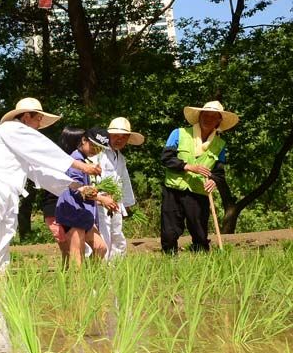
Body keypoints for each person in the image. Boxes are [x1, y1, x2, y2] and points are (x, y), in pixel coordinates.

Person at [0, 98, 102, 273]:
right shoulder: (11, 129)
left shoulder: (21, 144)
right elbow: (45, 149)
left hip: (6, 196)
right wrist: (81, 166)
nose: (40, 125)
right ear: (26, 117)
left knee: (1, 247)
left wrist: (75, 186)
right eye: (38, 119)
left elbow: (41, 172)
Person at [160, 100, 237, 253]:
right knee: (169, 233)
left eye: (213, 117)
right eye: (205, 115)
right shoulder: (178, 133)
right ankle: (169, 260)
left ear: (218, 121)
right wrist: (189, 167)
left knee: (200, 233)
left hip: (199, 192)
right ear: (199, 116)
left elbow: (219, 173)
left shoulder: (220, 144)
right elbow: (166, 158)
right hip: (173, 190)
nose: (208, 119)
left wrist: (214, 181)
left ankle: (202, 261)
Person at [55, 128, 115, 266]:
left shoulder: (84, 160)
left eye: (100, 148)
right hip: (72, 212)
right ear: (84, 140)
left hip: (83, 214)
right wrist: (101, 198)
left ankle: (90, 276)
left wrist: (100, 195)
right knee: (77, 256)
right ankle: (79, 279)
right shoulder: (76, 159)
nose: (96, 150)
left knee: (101, 248)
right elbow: (76, 188)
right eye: (94, 146)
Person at [97, 117, 142, 259]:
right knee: (103, 234)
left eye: (123, 137)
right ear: (109, 135)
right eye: (116, 136)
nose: (119, 140)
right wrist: (101, 197)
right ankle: (101, 266)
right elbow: (95, 178)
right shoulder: (100, 154)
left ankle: (115, 266)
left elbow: (124, 180)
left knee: (116, 234)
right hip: (101, 201)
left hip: (116, 201)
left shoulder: (120, 157)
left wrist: (126, 202)